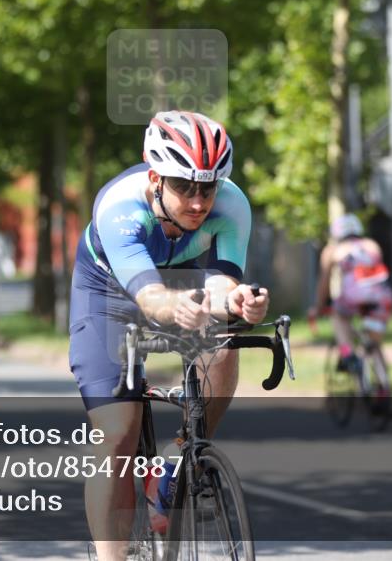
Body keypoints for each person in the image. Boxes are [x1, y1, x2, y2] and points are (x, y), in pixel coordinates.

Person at [69, 110, 269, 561]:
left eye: (207, 189)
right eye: (184, 187)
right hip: (109, 293)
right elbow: (151, 298)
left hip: (181, 280)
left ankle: (177, 462)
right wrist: (173, 306)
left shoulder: (232, 205)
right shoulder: (120, 207)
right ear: (155, 178)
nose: (198, 203)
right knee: (117, 435)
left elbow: (222, 285)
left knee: (223, 341)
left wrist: (240, 303)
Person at [309, 213, 392, 373]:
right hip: (381, 297)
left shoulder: (332, 250)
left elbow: (324, 283)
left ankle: (347, 354)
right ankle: (382, 381)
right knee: (374, 343)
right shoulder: (372, 245)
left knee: (338, 315)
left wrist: (319, 306)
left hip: (352, 298)